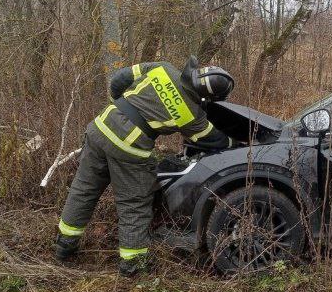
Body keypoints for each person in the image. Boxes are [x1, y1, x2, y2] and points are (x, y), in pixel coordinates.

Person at [55, 56, 235, 276]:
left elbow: (119, 79)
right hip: (129, 146)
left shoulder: (164, 68)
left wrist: (121, 105)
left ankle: (64, 245)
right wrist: (237, 143)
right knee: (134, 204)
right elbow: (215, 140)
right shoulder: (192, 115)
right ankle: (133, 264)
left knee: (84, 189)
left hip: (100, 126)